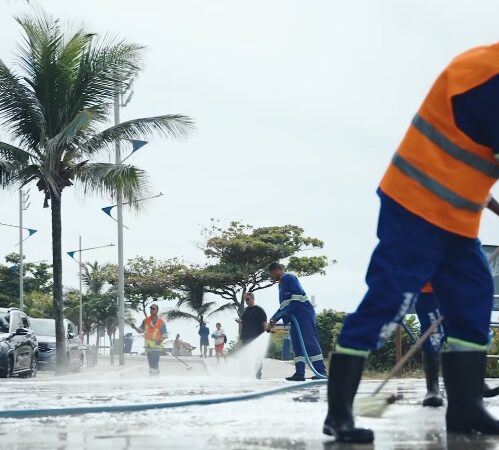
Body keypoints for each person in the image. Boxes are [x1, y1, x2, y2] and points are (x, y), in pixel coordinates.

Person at [324, 43, 499, 443]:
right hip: (415, 206)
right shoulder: (487, 76)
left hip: (457, 216)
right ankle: (339, 415)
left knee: (473, 298)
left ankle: (466, 408)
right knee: (389, 301)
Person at [266, 263, 327, 381]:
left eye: (273, 273)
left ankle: (321, 371)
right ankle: (299, 373)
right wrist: (274, 319)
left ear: (278, 270)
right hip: (294, 318)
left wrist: (276, 318)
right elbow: (284, 306)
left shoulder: (289, 277)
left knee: (310, 342)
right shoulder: (281, 285)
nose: (272, 276)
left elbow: (297, 298)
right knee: (297, 344)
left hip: (303, 314)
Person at [236, 292, 268, 378]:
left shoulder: (260, 310)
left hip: (256, 338)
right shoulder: (246, 311)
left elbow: (264, 324)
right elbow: (243, 321)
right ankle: (246, 374)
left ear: (253, 299)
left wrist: (267, 333)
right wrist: (240, 321)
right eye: (245, 299)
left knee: (257, 357)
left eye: (247, 299)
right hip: (246, 338)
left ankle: (258, 375)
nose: (246, 301)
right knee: (245, 357)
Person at [131, 303, 167, 376]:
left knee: (154, 363)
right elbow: (140, 330)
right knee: (151, 364)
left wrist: (160, 340)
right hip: (148, 347)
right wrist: (134, 327)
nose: (152, 310)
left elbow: (165, 334)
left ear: (157, 311)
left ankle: (154, 376)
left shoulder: (161, 322)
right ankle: (153, 376)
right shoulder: (146, 321)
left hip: (156, 346)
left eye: (154, 309)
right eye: (151, 309)